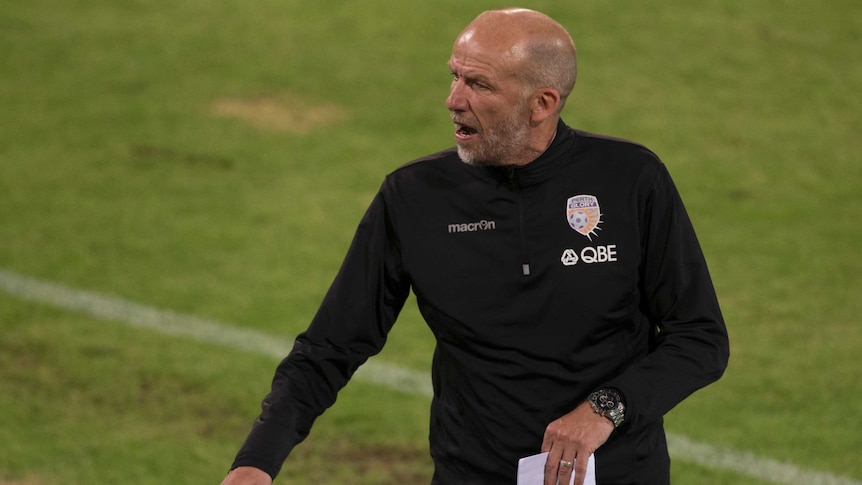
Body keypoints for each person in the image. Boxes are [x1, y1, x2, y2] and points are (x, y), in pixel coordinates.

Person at [220, 7, 729, 485]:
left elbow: (700, 339)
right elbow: (331, 346)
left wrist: (606, 408)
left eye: (479, 83)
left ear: (542, 104)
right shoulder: (415, 198)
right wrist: (256, 463)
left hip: (619, 474)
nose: (453, 99)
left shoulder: (629, 181)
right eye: (455, 75)